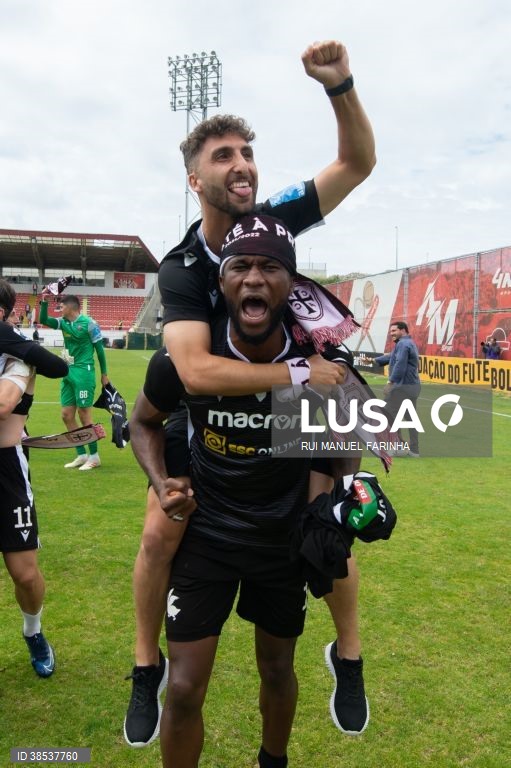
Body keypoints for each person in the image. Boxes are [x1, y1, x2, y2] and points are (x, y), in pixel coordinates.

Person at [124, 38, 375, 747]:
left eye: (245, 153)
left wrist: (339, 85)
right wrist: (299, 374)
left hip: (285, 400)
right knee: (159, 524)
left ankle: (347, 655)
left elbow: (356, 163)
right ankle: (147, 667)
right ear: (193, 178)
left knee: (326, 518)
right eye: (222, 156)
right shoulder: (180, 270)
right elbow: (195, 374)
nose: (241, 166)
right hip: (213, 397)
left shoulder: (270, 220)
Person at [131, 216, 351, 768]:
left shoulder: (324, 371)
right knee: (183, 688)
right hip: (207, 538)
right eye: (240, 267)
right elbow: (142, 422)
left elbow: (343, 452)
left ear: (291, 284)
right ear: (222, 282)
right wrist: (161, 485)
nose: (254, 278)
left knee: (278, 671)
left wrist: (348, 479)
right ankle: (146, 672)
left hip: (280, 543)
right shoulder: (184, 364)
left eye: (270, 267)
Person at [0, 280, 68, 678]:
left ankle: (34, 632)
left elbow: (5, 405)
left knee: (24, 572)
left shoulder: (16, 354)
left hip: (6, 467)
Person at [38, 293, 109, 470]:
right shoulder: (63, 323)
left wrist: (104, 374)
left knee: (84, 415)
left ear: (71, 307)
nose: (59, 309)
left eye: (61, 307)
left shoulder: (89, 323)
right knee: (66, 415)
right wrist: (44, 300)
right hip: (68, 371)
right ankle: (81, 454)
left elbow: (100, 350)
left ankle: (94, 456)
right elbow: (44, 319)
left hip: (84, 373)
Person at [375, 321, 421, 458]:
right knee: (410, 418)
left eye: (394, 331)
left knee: (388, 414)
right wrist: (375, 360)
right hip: (412, 387)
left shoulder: (403, 344)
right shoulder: (406, 343)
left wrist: (390, 382)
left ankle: (398, 447)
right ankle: (414, 450)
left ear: (403, 330)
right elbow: (392, 357)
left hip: (402, 387)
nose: (391, 334)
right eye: (390, 332)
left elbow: (400, 364)